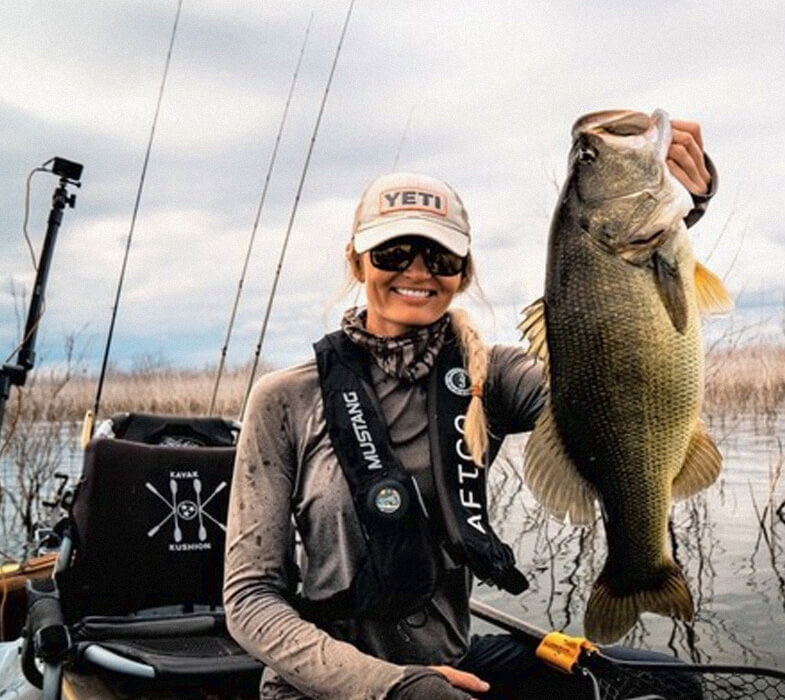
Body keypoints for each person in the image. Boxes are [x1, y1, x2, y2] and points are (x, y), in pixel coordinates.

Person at [223, 118, 717, 700]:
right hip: (330, 687)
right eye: (393, 252)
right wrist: (393, 686)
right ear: (357, 262)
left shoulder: (492, 376)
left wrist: (679, 212)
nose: (416, 271)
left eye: (439, 256)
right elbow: (250, 601)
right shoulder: (285, 398)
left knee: (672, 684)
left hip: (458, 667)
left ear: (463, 272)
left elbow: (606, 393)